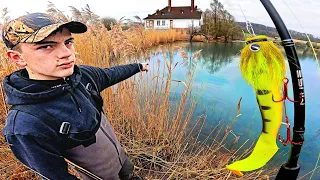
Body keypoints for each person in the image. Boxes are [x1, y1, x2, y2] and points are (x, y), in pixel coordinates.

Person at [1, 12, 147, 180]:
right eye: (46, 46)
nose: (66, 53)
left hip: (122, 161)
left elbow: (110, 74)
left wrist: (138, 66)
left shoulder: (82, 75)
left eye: (68, 42)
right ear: (17, 57)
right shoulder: (25, 124)